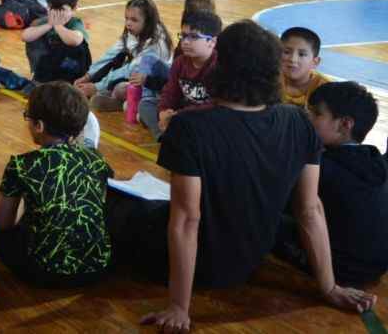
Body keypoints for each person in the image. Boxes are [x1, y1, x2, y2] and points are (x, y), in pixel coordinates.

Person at [124, 21, 377, 331]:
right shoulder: (298, 121)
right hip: (251, 259)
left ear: (220, 65)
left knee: (121, 208)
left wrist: (179, 306)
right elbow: (310, 209)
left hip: (197, 262)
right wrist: (329, 286)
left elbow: (188, 219)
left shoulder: (190, 128)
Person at [0, 82, 112, 288]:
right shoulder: (97, 160)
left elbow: (2, 224)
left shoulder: (21, 165)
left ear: (39, 126)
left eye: (27, 117)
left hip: (41, 272)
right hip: (97, 268)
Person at [277, 81, 388, 285]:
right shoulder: (374, 159)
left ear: (345, 124)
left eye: (316, 113)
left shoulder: (322, 167)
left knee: (260, 214)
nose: (307, 117)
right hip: (376, 266)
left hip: (342, 270)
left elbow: (295, 208)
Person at [74, 0, 172, 113]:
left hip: (153, 86)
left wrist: (96, 86)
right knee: (117, 61)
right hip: (135, 75)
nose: (128, 23)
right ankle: (117, 97)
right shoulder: (133, 32)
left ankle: (123, 102)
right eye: (127, 18)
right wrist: (88, 76)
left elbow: (130, 69)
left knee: (121, 89)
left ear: (148, 22)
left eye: (134, 20)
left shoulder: (156, 44)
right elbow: (110, 54)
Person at [155, 9, 222, 136]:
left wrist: (179, 116)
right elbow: (170, 92)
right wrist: (163, 111)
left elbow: (214, 105)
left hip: (204, 118)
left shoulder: (218, 66)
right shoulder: (179, 62)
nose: (185, 41)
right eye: (183, 35)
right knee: (147, 104)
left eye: (194, 37)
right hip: (181, 114)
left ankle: (166, 133)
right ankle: (165, 132)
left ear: (212, 42)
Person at [21, 0, 90, 84]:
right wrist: (49, 25)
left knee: (75, 46)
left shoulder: (75, 23)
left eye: (61, 10)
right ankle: (40, 77)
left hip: (71, 68)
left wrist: (58, 26)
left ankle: (64, 82)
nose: (57, 14)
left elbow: (75, 40)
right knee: (34, 36)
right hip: (49, 65)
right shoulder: (47, 21)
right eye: (53, 9)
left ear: (74, 9)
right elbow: (25, 36)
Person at [279, 26, 331, 107]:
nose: (293, 59)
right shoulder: (267, 79)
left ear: (315, 62)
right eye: (286, 52)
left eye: (302, 54)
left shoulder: (327, 90)